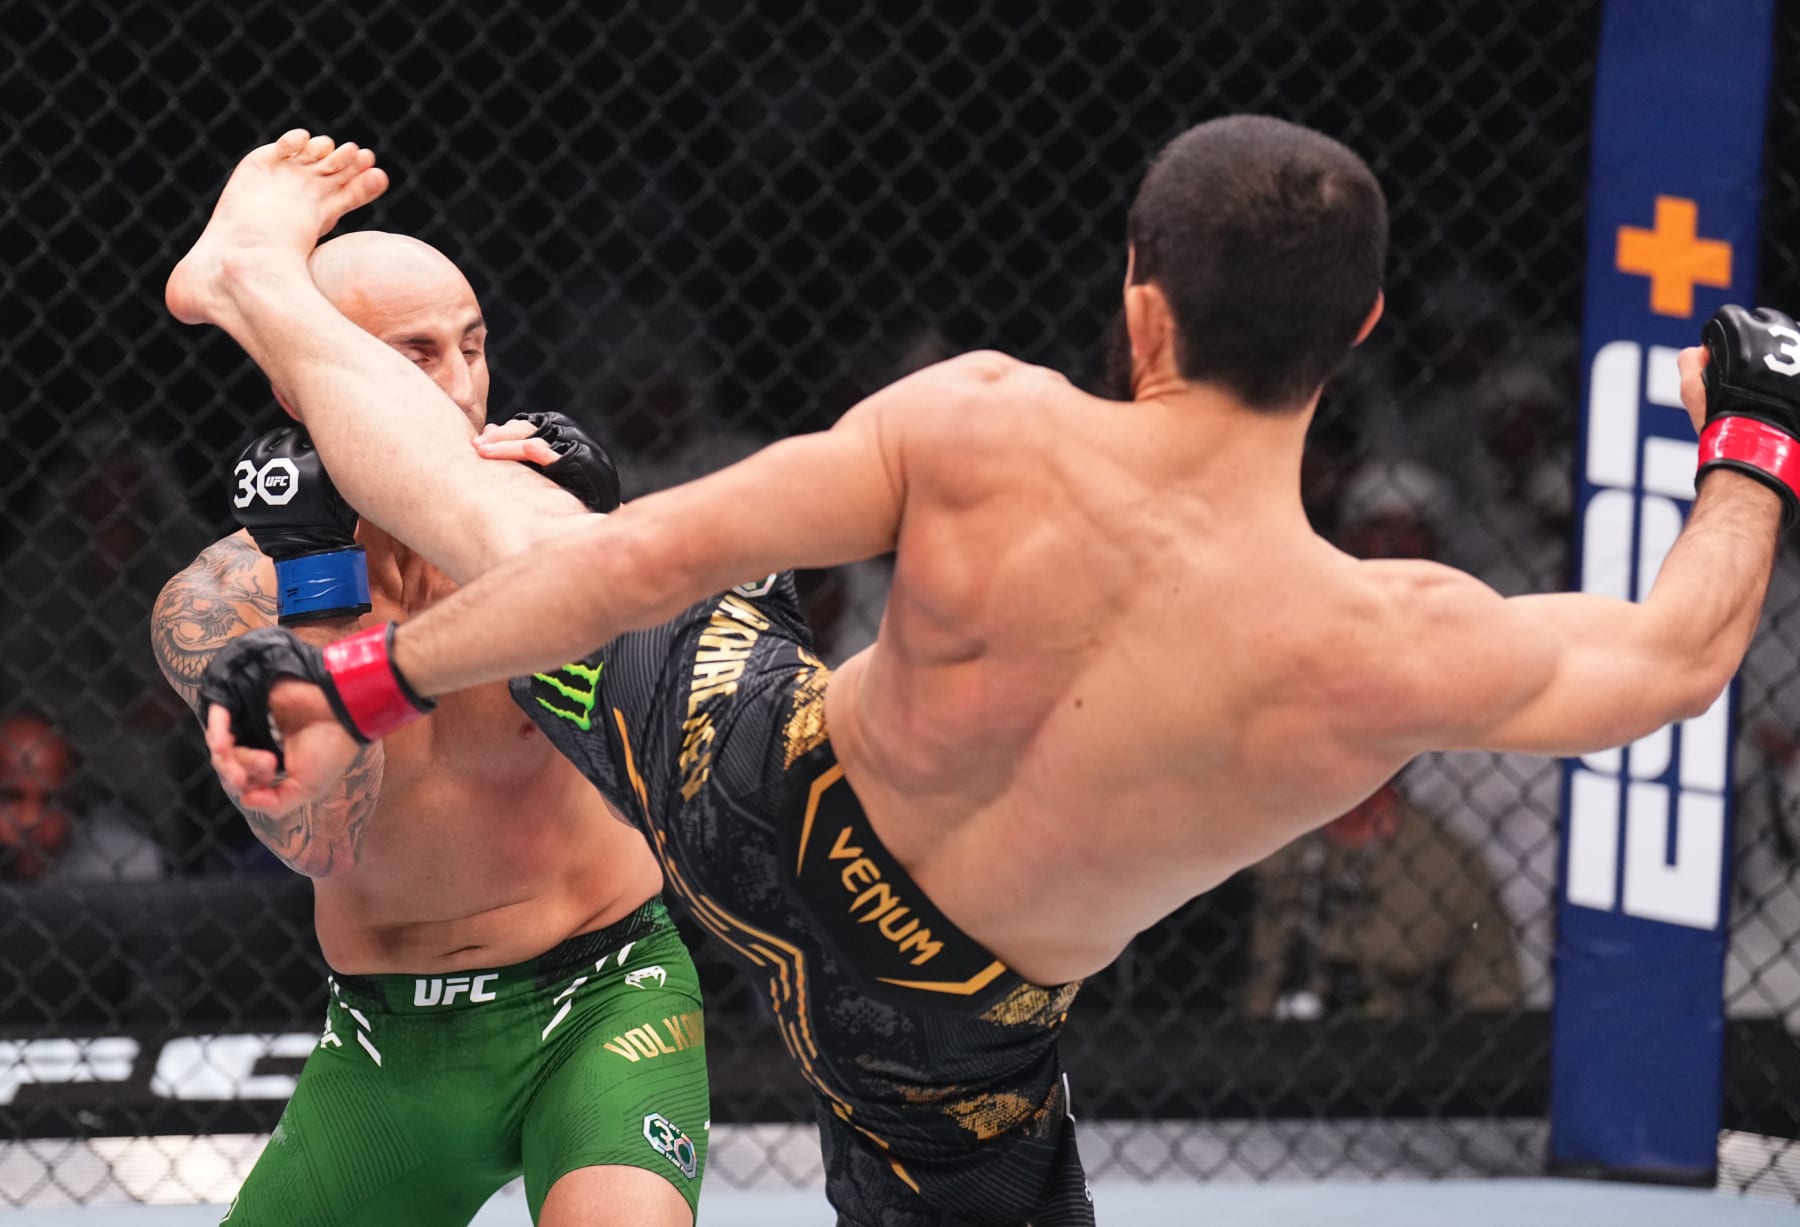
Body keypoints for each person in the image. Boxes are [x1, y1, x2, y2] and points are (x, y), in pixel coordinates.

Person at [168, 122, 1796, 1225]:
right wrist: (1755, 434)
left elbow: (642, 555)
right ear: (1365, 322)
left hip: (765, 789)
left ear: (1140, 298)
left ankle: (259, 286)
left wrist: (376, 672)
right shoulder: (1391, 638)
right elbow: (1675, 658)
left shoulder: (985, 421)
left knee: (506, 513)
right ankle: (257, 282)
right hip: (949, 1024)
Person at [149, 230, 710, 1227]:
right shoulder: (223, 601)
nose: (459, 388)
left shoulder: (542, 531)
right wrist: (321, 586)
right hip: (390, 1045)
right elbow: (317, 842)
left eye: (473, 345)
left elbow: (680, 749)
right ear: (304, 384)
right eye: (415, 355)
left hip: (609, 992)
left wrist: (602, 545)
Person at [1244, 777, 1521, 1019]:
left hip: (1395, 1044)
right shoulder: (1260, 840)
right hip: (1258, 1034)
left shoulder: (1448, 866)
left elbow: (1492, 999)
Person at [0, 712, 167, 883]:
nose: (29, 821)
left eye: (51, 802)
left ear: (73, 800)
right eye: (8, 798)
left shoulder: (123, 864)